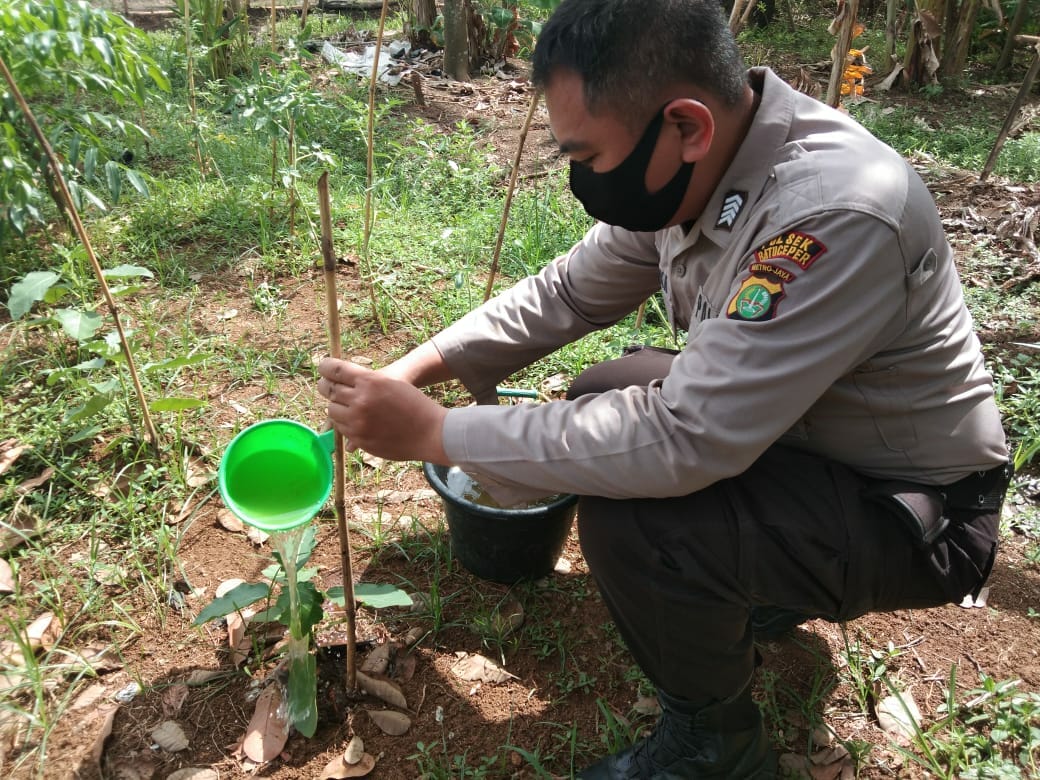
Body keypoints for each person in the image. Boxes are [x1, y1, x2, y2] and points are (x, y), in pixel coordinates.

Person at [316, 1, 1011, 776]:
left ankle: (714, 746)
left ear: (686, 126)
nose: (582, 177)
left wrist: (434, 434)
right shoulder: (698, 162)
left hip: (914, 506)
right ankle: (757, 585)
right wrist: (414, 370)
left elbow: (683, 439)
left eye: (587, 154)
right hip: (809, 436)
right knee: (602, 388)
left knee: (638, 524)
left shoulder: (833, 213)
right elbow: (568, 294)